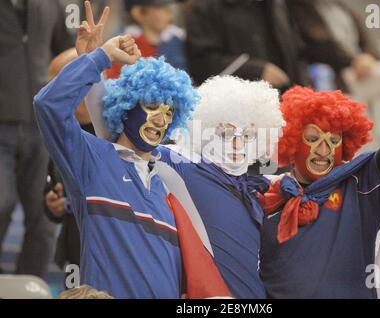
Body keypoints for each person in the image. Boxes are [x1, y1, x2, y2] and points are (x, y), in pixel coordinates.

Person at [34, 2, 230, 299]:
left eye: (169, 112)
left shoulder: (170, 186)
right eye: (152, 106)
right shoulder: (93, 160)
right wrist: (99, 58)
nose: (161, 119)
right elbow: (49, 106)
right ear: (125, 109)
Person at [259, 34, 380, 299]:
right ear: (291, 142)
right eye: (312, 139)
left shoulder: (360, 185)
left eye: (332, 141)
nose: (323, 151)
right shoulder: (265, 197)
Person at [85, 76, 284, 298]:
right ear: (204, 129)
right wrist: (92, 60)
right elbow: (120, 136)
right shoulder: (181, 164)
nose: (237, 145)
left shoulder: (263, 187)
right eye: (226, 134)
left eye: (248, 136)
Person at [0, 0, 73, 277]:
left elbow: (66, 53)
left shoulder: (51, 4)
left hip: (42, 127)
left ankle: (29, 286)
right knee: (1, 203)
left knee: (44, 217)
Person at [44, 48, 95, 269]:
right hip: (74, 252)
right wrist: (52, 205)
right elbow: (50, 189)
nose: (51, 93)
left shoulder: (120, 133)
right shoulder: (56, 132)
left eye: (58, 84)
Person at [185, 0, 311, 89]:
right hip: (238, 116)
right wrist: (255, 71)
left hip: (285, 108)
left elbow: (298, 55)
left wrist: (306, 91)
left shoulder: (278, 5)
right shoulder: (205, 8)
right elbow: (202, 64)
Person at [286, 0, 380, 91]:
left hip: (362, 68)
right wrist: (354, 61)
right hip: (334, 74)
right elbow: (320, 43)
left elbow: (366, 38)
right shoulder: (299, 7)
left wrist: (369, 57)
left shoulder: (340, 6)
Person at [105, 0, 187, 79]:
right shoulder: (126, 45)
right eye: (160, 7)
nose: (168, 11)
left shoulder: (175, 40)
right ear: (138, 13)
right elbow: (113, 79)